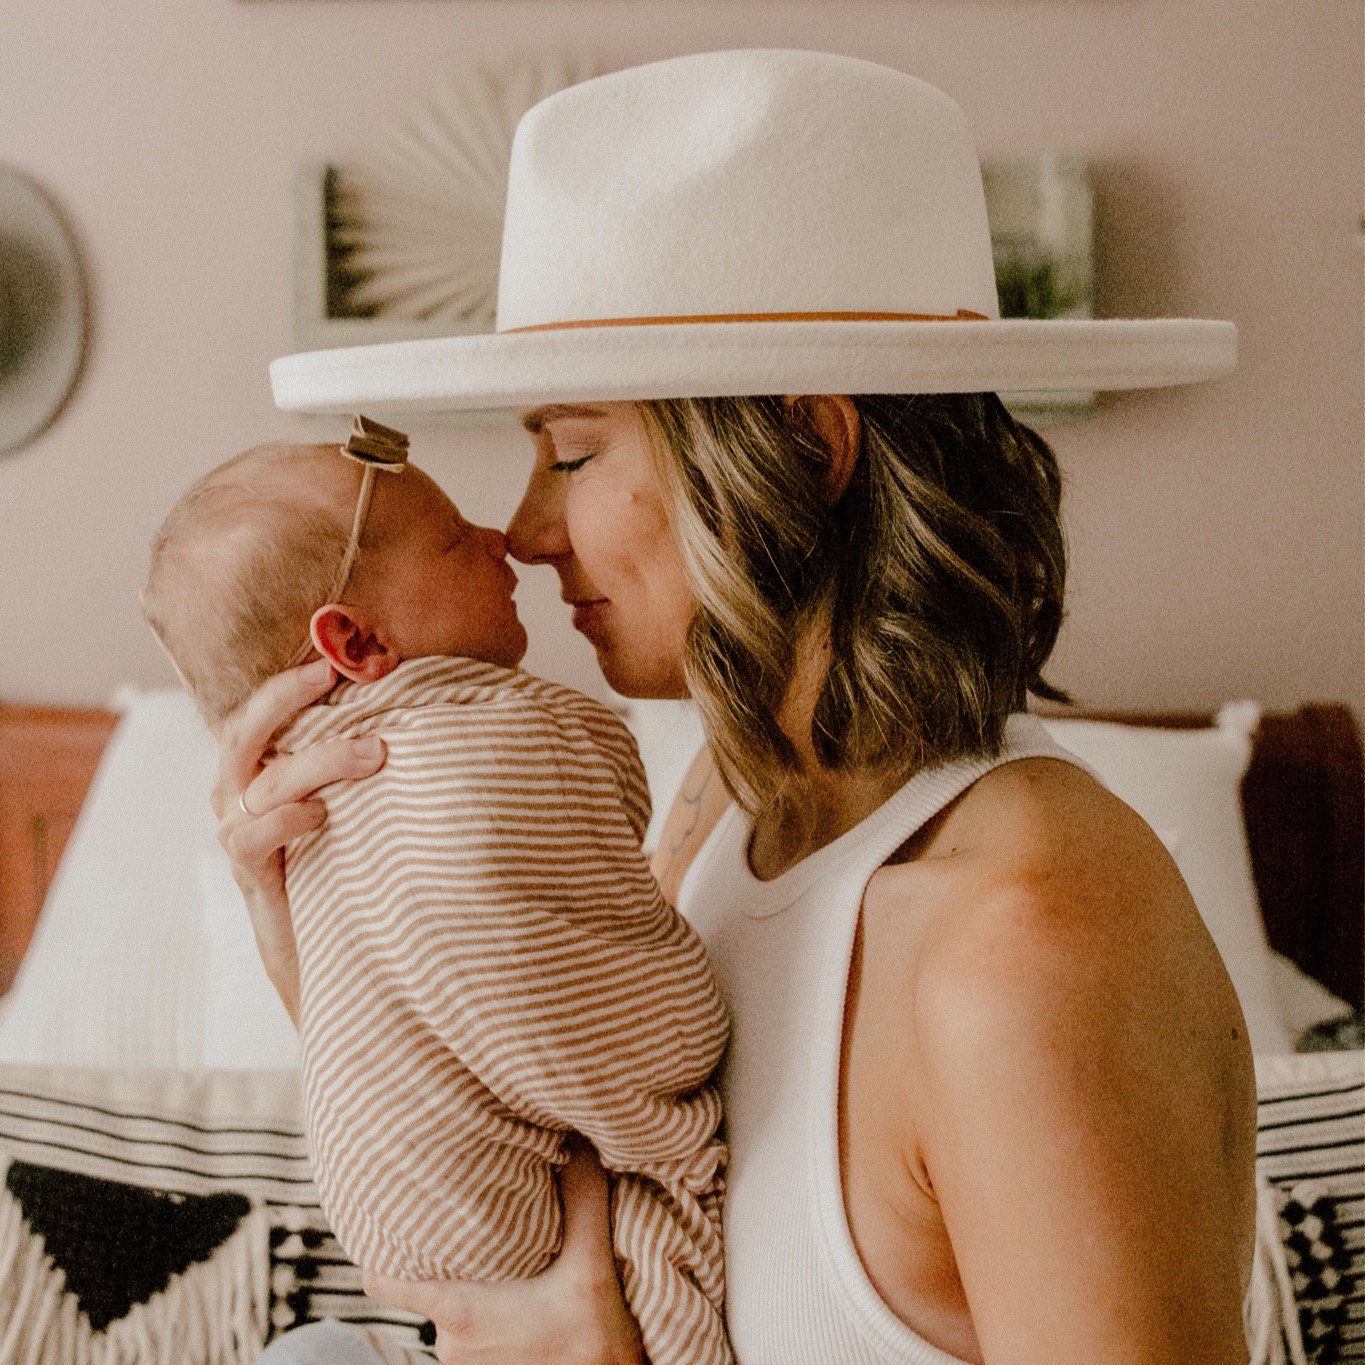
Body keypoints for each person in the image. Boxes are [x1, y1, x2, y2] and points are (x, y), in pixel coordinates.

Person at [221, 50, 1255, 1365]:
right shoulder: (734, 803)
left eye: (576, 450)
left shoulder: (1027, 949)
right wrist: (312, 927)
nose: (528, 529)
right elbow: (559, 1157)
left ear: (806, 449)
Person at [140, 421, 732, 1365]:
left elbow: (482, 992)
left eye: (573, 455)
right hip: (489, 1244)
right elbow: (582, 1023)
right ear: (357, 641)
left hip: (447, 1249)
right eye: (456, 538)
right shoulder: (499, 744)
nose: (509, 537)